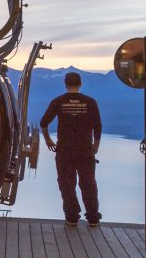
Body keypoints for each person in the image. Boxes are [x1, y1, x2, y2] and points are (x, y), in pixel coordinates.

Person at [39, 71, 102, 227]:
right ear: (80, 84)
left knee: (66, 184)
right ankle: (93, 218)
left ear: (65, 84)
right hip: (85, 150)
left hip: (64, 151)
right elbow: (97, 125)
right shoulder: (90, 102)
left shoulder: (58, 102)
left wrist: (48, 140)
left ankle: (72, 217)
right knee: (88, 184)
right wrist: (95, 145)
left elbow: (43, 122)